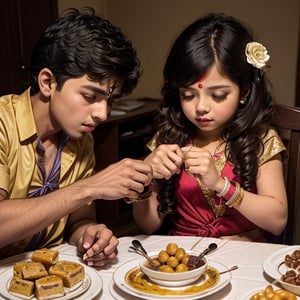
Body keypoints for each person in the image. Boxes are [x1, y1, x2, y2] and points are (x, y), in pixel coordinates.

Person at [0, 8, 152, 265]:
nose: (103, 113)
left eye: (110, 101)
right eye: (90, 97)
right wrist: (89, 187)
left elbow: (78, 220)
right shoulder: (4, 122)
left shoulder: (81, 139)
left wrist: (91, 236)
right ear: (47, 82)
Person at [133, 13, 288, 242]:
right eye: (188, 95)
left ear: (244, 91)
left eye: (218, 95)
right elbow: (147, 225)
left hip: (244, 255)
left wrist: (220, 185)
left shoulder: (261, 139)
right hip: (183, 259)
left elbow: (277, 222)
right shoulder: (169, 138)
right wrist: (145, 176)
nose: (201, 107)